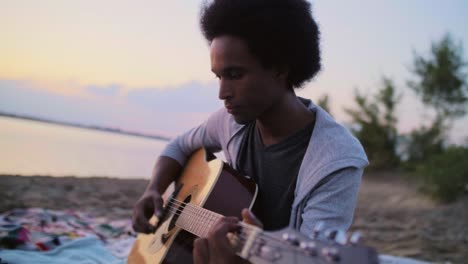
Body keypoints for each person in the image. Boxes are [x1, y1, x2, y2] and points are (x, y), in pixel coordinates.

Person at [132, 0, 368, 263]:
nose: (222, 93)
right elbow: (177, 147)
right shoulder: (229, 121)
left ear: (280, 68)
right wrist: (154, 189)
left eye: (235, 74)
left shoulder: (335, 160)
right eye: (219, 76)